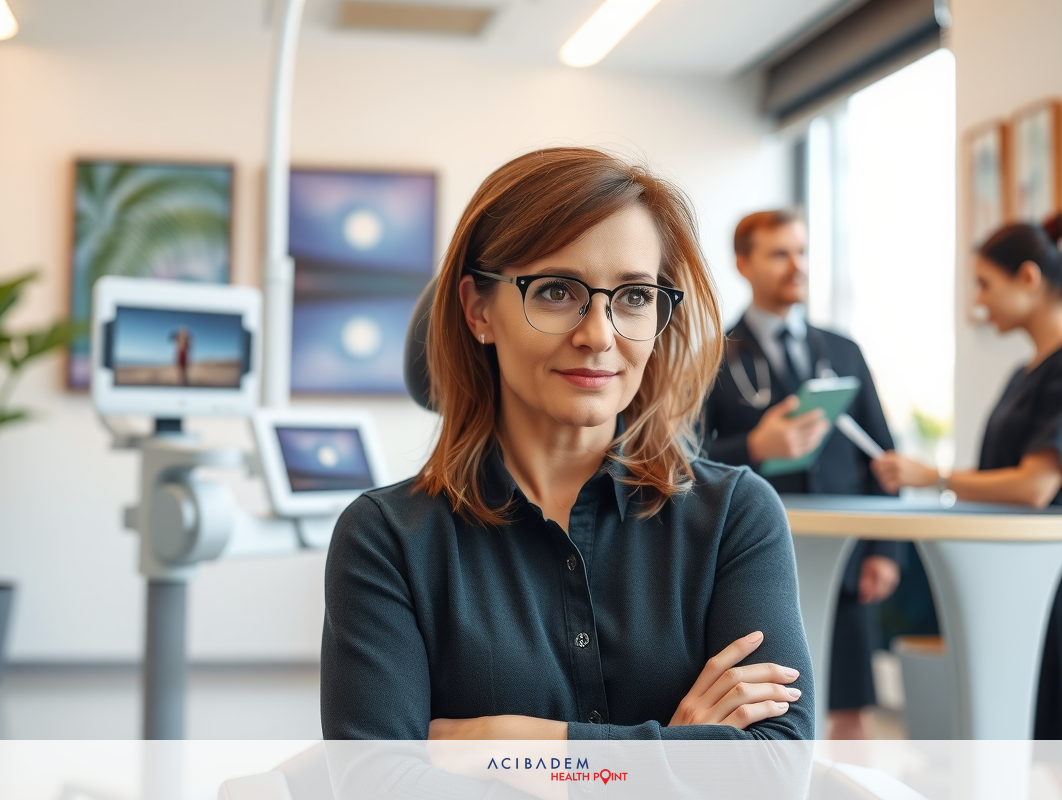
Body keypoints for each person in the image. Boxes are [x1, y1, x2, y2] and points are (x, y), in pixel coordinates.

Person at [321, 148, 814, 741]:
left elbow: (775, 765)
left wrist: (504, 745)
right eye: (556, 291)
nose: (598, 335)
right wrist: (683, 750)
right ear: (479, 310)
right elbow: (378, 785)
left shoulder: (736, 515)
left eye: (634, 296)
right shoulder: (387, 539)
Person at [872, 212, 1062, 741]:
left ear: (1028, 278)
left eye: (986, 285)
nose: (979, 302)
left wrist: (934, 476)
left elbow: (1035, 487)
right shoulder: (1026, 373)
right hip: (1023, 578)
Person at [702, 210, 904, 740]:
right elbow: (683, 459)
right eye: (779, 254)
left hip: (844, 558)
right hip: (755, 562)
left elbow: (884, 457)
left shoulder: (842, 351)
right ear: (743, 264)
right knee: (775, 707)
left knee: (851, 706)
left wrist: (885, 549)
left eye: (803, 252)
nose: (797, 266)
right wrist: (755, 447)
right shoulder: (710, 358)